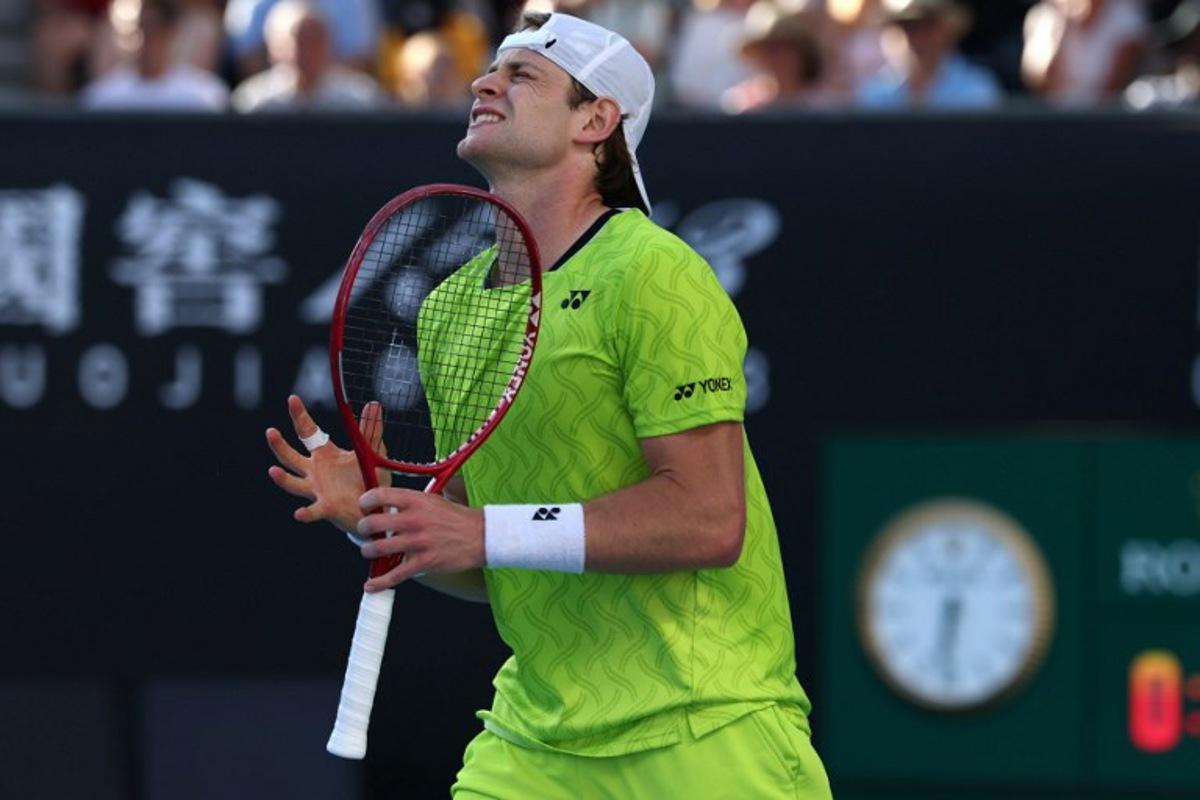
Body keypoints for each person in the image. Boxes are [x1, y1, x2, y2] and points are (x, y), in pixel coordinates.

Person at [266, 10, 832, 799]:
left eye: (522, 74)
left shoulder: (655, 274)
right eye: (491, 69)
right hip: (535, 742)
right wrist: (386, 520)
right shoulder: (450, 310)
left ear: (596, 120)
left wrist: (481, 528)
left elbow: (709, 519)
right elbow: (487, 555)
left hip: (704, 727)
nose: (483, 81)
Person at [232, 0, 383, 111]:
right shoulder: (253, 103)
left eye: (316, 39)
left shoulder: (362, 102)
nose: (306, 50)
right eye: (298, 39)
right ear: (273, 47)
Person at [80, 0, 227, 110]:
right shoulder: (100, 99)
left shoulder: (206, 98)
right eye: (135, 29)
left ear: (171, 32)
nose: (143, 38)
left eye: (152, 26)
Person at [857, 0, 1002, 109]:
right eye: (908, 27)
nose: (918, 38)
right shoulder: (875, 94)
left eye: (928, 27)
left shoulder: (977, 90)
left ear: (947, 30)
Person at [1022, 0, 1148, 106]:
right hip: (1053, 122)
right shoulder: (1047, 15)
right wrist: (1061, 28)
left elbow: (1112, 90)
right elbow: (1041, 84)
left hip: (1103, 123)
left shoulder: (1127, 16)